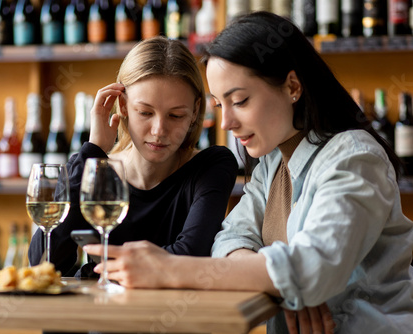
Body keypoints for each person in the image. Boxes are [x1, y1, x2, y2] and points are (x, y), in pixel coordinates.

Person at [84, 12, 413, 334]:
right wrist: (288, 284)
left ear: (292, 86)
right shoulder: (272, 164)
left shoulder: (355, 157)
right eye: (219, 105)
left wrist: (169, 268)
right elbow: (229, 240)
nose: (226, 122)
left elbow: (312, 269)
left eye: (239, 101)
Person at [28, 36, 239, 277]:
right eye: (145, 112)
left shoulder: (212, 166)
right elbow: (44, 263)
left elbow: (191, 255)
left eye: (176, 116)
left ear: (194, 113)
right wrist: (93, 149)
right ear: (124, 106)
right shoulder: (97, 170)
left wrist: (102, 270)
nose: (159, 130)